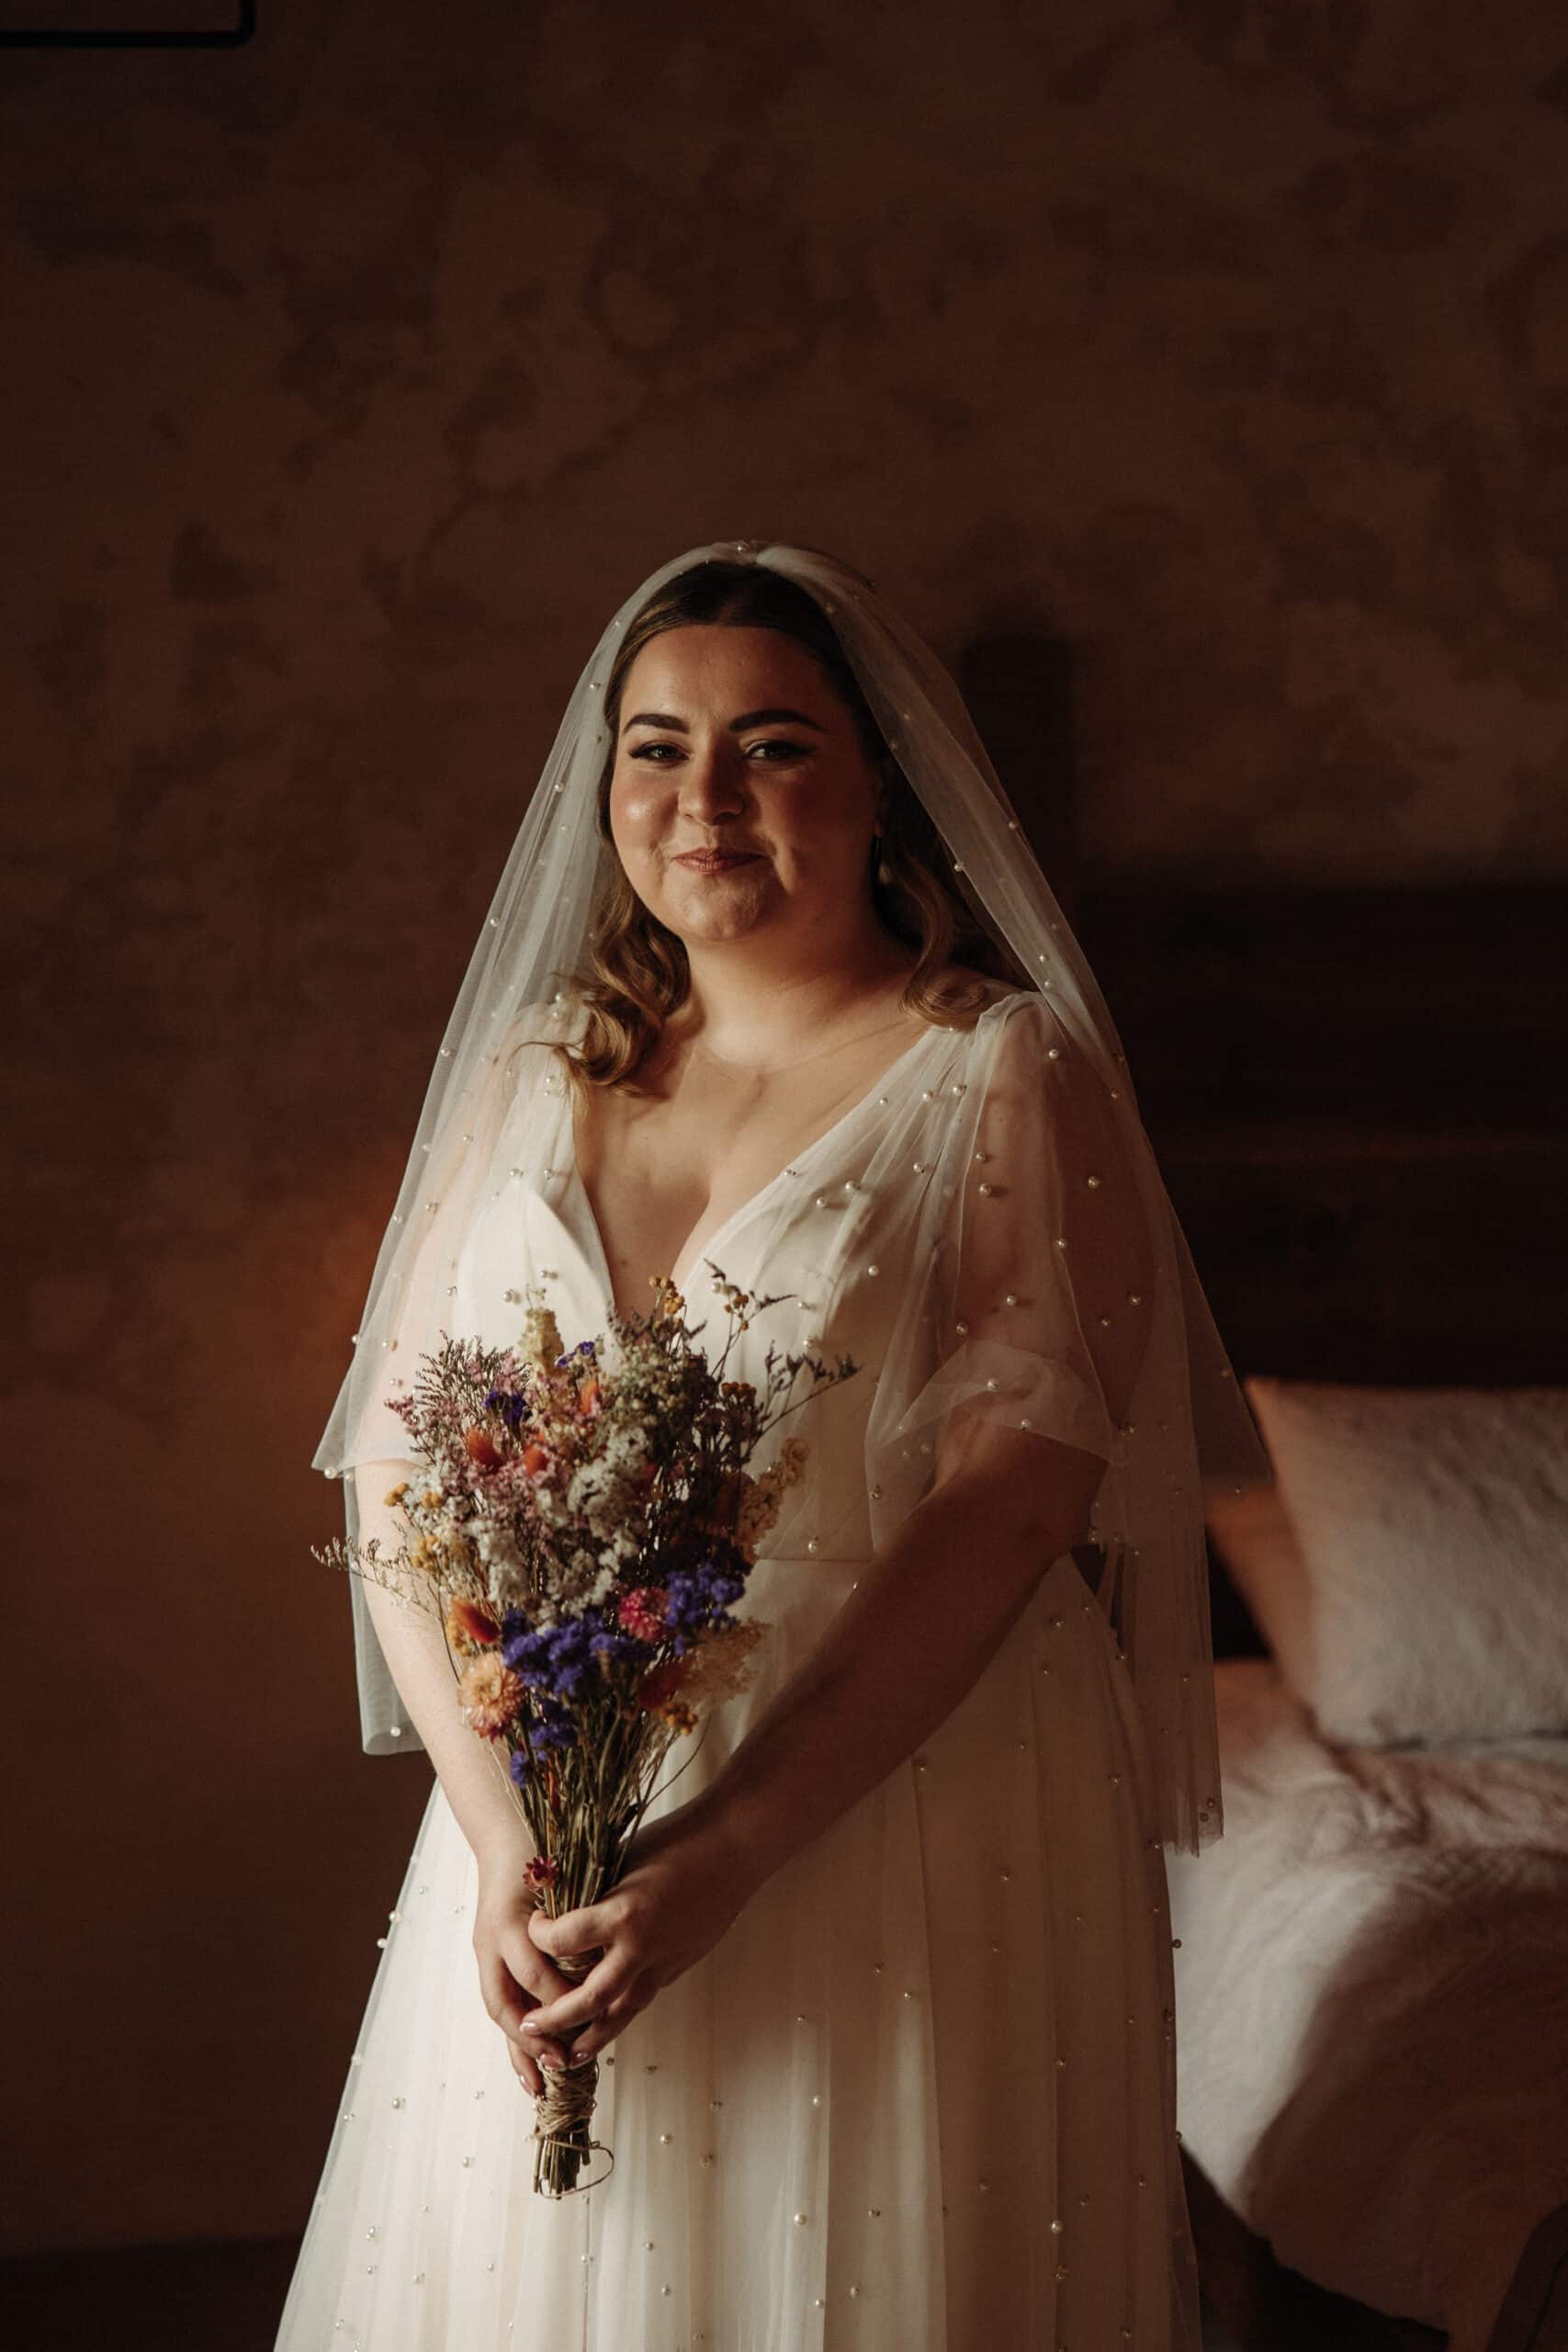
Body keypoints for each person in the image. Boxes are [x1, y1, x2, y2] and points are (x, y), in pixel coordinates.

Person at [276, 540, 1270, 2351]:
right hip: (549, 1796)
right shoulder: (531, 1079)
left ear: (881, 778)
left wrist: (725, 1844)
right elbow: (401, 1483)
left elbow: (1017, 1493)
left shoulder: (994, 1069)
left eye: (773, 745)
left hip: (905, 1780)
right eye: (654, 746)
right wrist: (505, 1835)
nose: (701, 797)